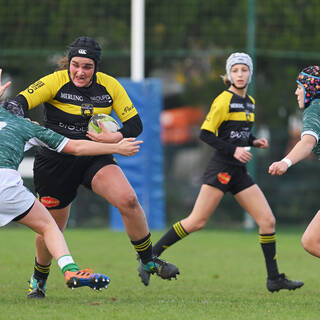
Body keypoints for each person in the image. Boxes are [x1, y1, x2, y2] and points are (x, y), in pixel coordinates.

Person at [6, 37, 179, 298]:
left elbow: (135, 125)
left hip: (93, 156)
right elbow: (17, 103)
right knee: (51, 227)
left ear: (95, 66)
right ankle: (39, 279)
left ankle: (148, 260)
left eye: (87, 66)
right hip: (55, 160)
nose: (80, 71)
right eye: (75, 65)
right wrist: (20, 119)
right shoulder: (55, 81)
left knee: (128, 199)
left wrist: (115, 136)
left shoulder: (110, 86)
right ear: (69, 63)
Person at [138, 53, 304, 292]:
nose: (240, 74)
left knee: (267, 220)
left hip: (238, 172)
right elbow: (206, 134)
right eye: (235, 70)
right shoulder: (223, 100)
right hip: (221, 169)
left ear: (250, 73)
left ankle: (274, 278)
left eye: (244, 70)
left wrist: (253, 141)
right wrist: (235, 150)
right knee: (197, 221)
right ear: (229, 75)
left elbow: (236, 133)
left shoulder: (250, 102)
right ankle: (149, 258)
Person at [0, 70, 144, 297]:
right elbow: (77, 147)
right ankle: (71, 271)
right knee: (49, 227)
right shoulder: (28, 128)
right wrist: (117, 147)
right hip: (5, 185)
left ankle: (43, 279)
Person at [269, 65, 320, 259]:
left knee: (311, 241)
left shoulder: (314, 109)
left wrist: (286, 162)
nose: (296, 91)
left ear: (311, 88)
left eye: (300, 86)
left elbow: (307, 142)